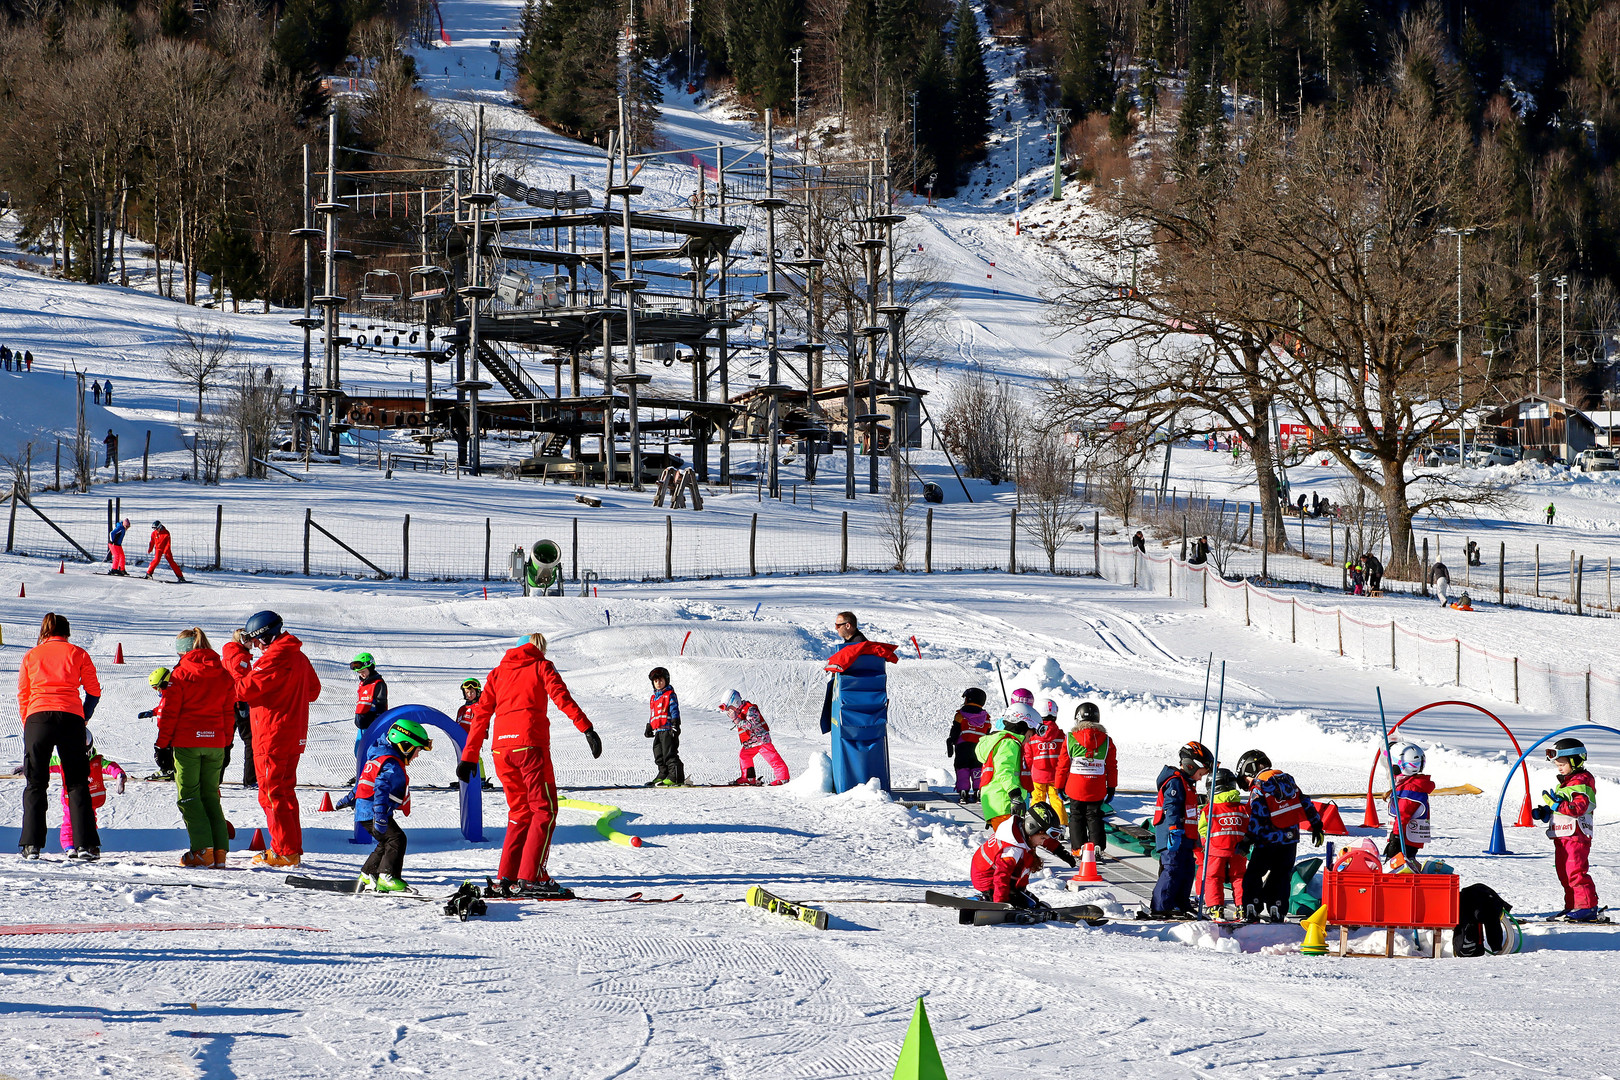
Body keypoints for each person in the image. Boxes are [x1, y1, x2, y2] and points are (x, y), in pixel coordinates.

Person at [457, 632, 602, 899]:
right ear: (537, 648)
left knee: (519, 812)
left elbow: (481, 715)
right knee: (544, 810)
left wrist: (468, 756)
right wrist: (587, 728)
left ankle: (507, 878)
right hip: (529, 746)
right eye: (542, 648)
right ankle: (531, 877)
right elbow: (562, 698)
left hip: (501, 750)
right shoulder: (540, 665)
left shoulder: (497, 673)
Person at [224, 610, 322, 868]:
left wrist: (232, 655)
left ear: (266, 638)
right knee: (285, 793)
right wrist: (286, 694)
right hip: (291, 735)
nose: (256, 647)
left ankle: (284, 851)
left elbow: (242, 690)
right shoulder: (297, 656)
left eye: (258, 642)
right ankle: (290, 849)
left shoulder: (274, 659)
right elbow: (313, 690)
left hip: (272, 736)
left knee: (271, 795)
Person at [16, 613, 103, 860]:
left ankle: (31, 845)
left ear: (44, 631)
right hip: (70, 718)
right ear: (67, 632)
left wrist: (29, 723)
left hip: (38, 718)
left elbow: (23, 693)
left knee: (35, 782)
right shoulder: (78, 653)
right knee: (76, 782)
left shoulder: (32, 655)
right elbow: (93, 690)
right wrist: (83, 716)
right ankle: (85, 844)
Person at [154, 628, 236, 868]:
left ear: (183, 651)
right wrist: (226, 741)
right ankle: (219, 851)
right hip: (216, 744)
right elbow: (228, 713)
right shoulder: (223, 674)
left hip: (188, 743)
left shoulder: (180, 674)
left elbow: (170, 713)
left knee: (189, 796)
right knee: (210, 795)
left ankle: (202, 850)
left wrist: (162, 745)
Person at [337, 717, 434, 892]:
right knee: (396, 839)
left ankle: (367, 875)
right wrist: (380, 817)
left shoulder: (379, 757)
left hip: (368, 811)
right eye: (417, 750)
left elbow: (363, 782)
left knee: (385, 842)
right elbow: (380, 789)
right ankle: (388, 877)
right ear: (405, 745)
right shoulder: (391, 765)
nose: (418, 755)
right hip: (374, 812)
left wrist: (349, 799)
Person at [1235, 749, 1324, 923]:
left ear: (1250, 770)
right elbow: (1305, 801)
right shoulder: (1287, 780)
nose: (1247, 784)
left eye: (1245, 780)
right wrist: (1316, 825)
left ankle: (1252, 907)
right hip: (1290, 840)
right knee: (1281, 875)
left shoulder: (1258, 786)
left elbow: (1257, 815)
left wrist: (1247, 840)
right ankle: (1277, 908)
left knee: (1254, 874)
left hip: (1266, 840)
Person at [1529, 738, 1601, 921]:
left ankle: (1587, 906)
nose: (1559, 768)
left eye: (1562, 764)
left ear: (1576, 760)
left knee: (1575, 871)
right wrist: (1545, 811)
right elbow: (1561, 805)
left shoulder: (1583, 782)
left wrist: (1556, 805)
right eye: (1557, 765)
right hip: (1563, 835)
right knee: (1564, 872)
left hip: (1577, 836)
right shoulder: (1565, 783)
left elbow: (1578, 808)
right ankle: (1573, 905)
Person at [1151, 741, 1213, 917]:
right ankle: (1161, 906)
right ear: (1191, 766)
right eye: (1201, 773)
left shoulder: (1187, 784)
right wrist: (1174, 829)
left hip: (1185, 837)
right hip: (1173, 835)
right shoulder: (1175, 782)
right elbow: (1172, 807)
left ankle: (1180, 903)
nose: (1201, 778)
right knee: (1172, 869)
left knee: (1186, 869)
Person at [1055, 701, 1117, 858]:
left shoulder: (1070, 739)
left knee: (1076, 816)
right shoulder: (1107, 741)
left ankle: (1078, 848)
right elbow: (1111, 766)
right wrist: (1111, 787)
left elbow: (1062, 765)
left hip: (1076, 786)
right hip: (1096, 787)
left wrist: (1059, 786)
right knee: (1095, 815)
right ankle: (1097, 847)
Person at [50, 731, 126, 854]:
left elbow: (110, 766)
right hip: (71, 799)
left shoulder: (96, 761)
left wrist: (119, 775)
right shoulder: (61, 760)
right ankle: (69, 846)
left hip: (90, 798)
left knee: (90, 821)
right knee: (69, 821)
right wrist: (28, 767)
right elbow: (44, 764)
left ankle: (89, 845)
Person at [1196, 768, 1249, 917]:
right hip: (1239, 850)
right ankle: (1242, 906)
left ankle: (1215, 907)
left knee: (1213, 877)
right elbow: (1248, 826)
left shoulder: (1209, 809)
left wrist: (1206, 844)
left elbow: (1203, 829)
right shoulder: (1242, 808)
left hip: (1215, 850)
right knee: (1239, 877)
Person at [977, 708, 1032, 830]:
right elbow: (1004, 770)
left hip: (997, 803)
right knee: (1013, 846)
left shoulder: (999, 741)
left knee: (1010, 845)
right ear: (1022, 728)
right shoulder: (1009, 743)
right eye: (1030, 734)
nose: (1029, 739)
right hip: (1005, 802)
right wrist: (1015, 795)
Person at [722, 689, 789, 786]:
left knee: (772, 757)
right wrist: (736, 717)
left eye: (730, 708)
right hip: (751, 742)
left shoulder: (750, 709)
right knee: (744, 755)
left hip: (761, 740)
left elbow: (751, 725)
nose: (729, 711)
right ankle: (748, 778)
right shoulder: (740, 711)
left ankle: (783, 778)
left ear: (736, 702)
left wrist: (736, 719)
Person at [1384, 742, 1435, 861]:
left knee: (1399, 867)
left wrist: (1395, 838)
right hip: (1407, 838)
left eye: (1392, 766)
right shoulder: (1412, 784)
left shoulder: (1410, 789)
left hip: (1404, 839)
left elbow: (1403, 815)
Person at [1023, 699, 1067, 828]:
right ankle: (1062, 825)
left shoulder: (1033, 735)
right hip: (1055, 776)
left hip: (1037, 776)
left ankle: (1037, 823)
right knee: (1057, 800)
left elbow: (1028, 757)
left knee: (1037, 800)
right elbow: (1065, 756)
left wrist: (1026, 775)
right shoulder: (1060, 735)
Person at [946, 688, 994, 803]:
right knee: (977, 768)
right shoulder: (986, 718)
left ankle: (963, 791)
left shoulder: (960, 715)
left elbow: (955, 730)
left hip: (963, 747)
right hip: (979, 748)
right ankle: (978, 791)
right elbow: (987, 734)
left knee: (962, 768)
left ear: (968, 699)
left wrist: (951, 741)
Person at [348, 652, 389, 783]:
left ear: (370, 667)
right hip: (363, 724)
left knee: (372, 751)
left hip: (373, 725)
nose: (361, 674)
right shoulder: (363, 684)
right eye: (359, 672)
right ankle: (362, 772)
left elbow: (381, 705)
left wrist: (376, 721)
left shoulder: (378, 683)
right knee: (358, 750)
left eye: (363, 671)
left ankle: (373, 775)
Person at [645, 667, 684, 787]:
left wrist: (675, 723)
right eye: (656, 681)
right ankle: (663, 774)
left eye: (661, 680)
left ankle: (676, 777)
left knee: (669, 754)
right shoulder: (654, 698)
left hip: (668, 729)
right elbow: (653, 714)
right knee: (658, 755)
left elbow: (674, 710)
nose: (658, 683)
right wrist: (649, 726)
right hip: (658, 731)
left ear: (666, 680)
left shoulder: (669, 695)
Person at [455, 678, 493, 789]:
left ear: (477, 692)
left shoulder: (479, 707)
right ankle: (464, 778)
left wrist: (481, 734)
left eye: (472, 692)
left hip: (473, 737)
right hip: (461, 737)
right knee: (462, 757)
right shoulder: (462, 709)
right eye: (467, 692)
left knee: (475, 756)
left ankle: (481, 779)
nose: (469, 695)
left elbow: (483, 721)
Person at [140, 667, 177, 781]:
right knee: (163, 749)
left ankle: (167, 770)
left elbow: (169, 712)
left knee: (161, 749)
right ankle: (169, 769)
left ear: (164, 683)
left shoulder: (172, 696)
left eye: (157, 687)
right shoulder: (167, 696)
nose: (157, 691)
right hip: (165, 730)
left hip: (169, 731)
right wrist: (152, 712)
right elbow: (162, 708)